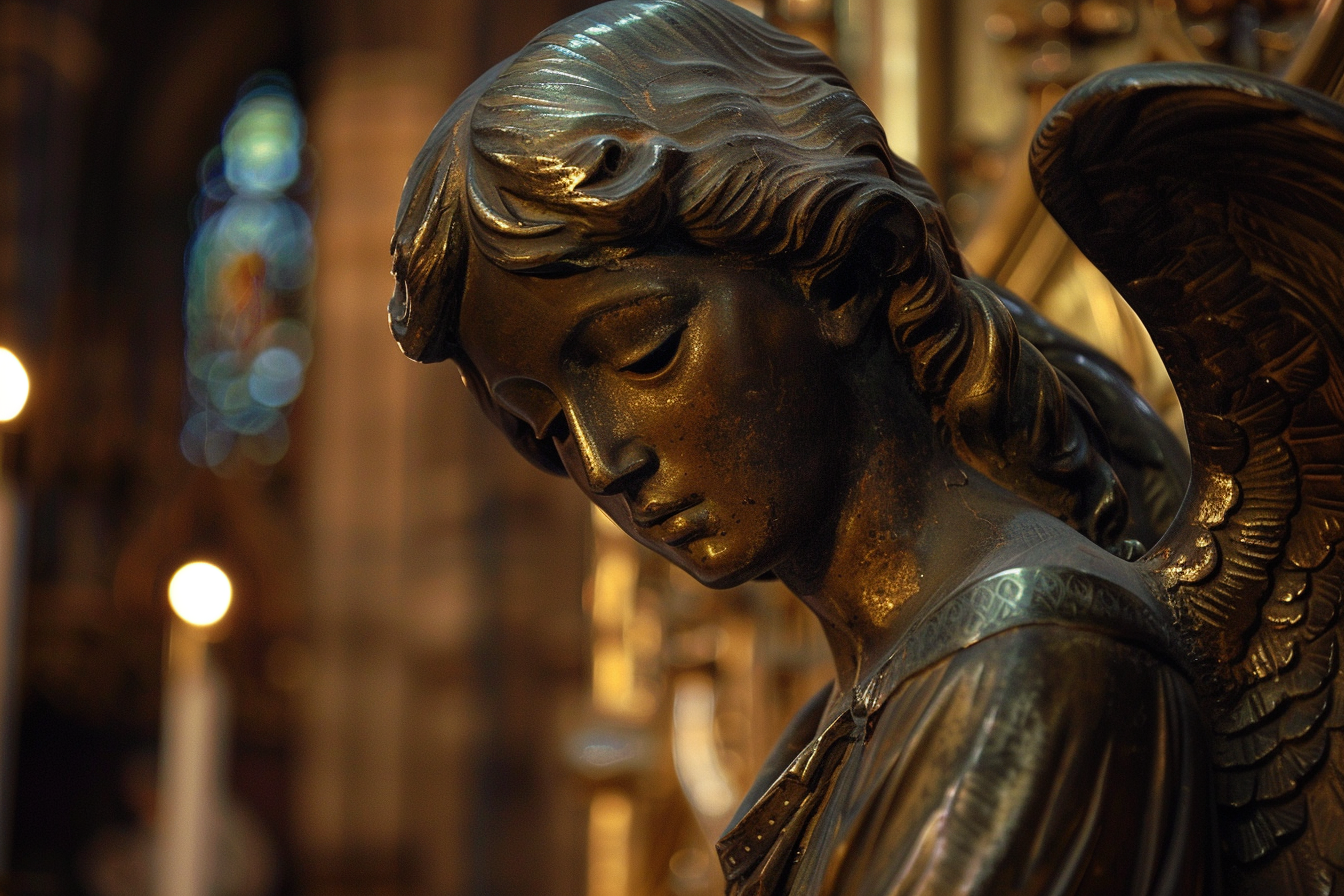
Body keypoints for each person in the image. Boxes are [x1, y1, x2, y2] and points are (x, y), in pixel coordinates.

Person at [387, 1, 1215, 892]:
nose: (602, 460)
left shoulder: (1036, 655)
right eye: (546, 428)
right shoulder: (844, 719)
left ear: (844, 270)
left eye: (646, 353)